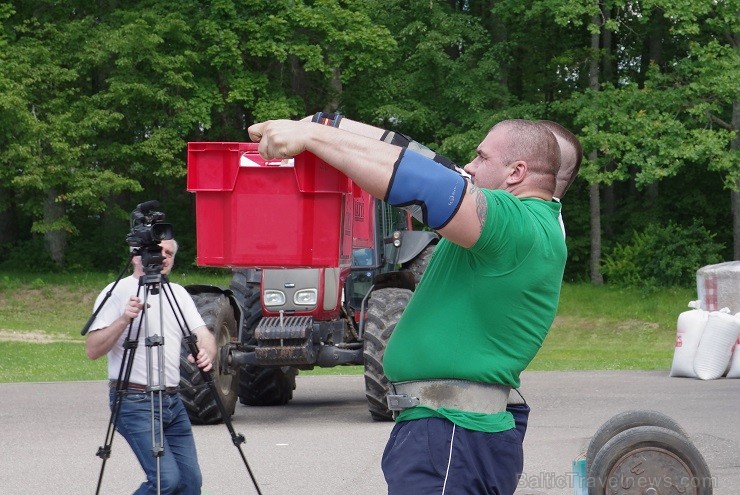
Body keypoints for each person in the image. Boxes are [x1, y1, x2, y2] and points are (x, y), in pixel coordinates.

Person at [248, 117, 566, 495]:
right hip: (448, 432)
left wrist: (314, 137)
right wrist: (324, 123)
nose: (468, 166)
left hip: (451, 434)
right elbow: (417, 157)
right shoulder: (523, 225)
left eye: (481, 157)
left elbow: (426, 184)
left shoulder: (518, 225)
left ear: (516, 172)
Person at [85, 238, 216, 495]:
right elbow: (93, 349)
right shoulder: (116, 292)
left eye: (168, 253)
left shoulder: (177, 293)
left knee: (190, 484)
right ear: (137, 256)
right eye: (157, 251)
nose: (163, 257)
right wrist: (124, 318)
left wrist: (207, 351)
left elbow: (203, 333)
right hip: (134, 400)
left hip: (172, 401)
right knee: (165, 481)